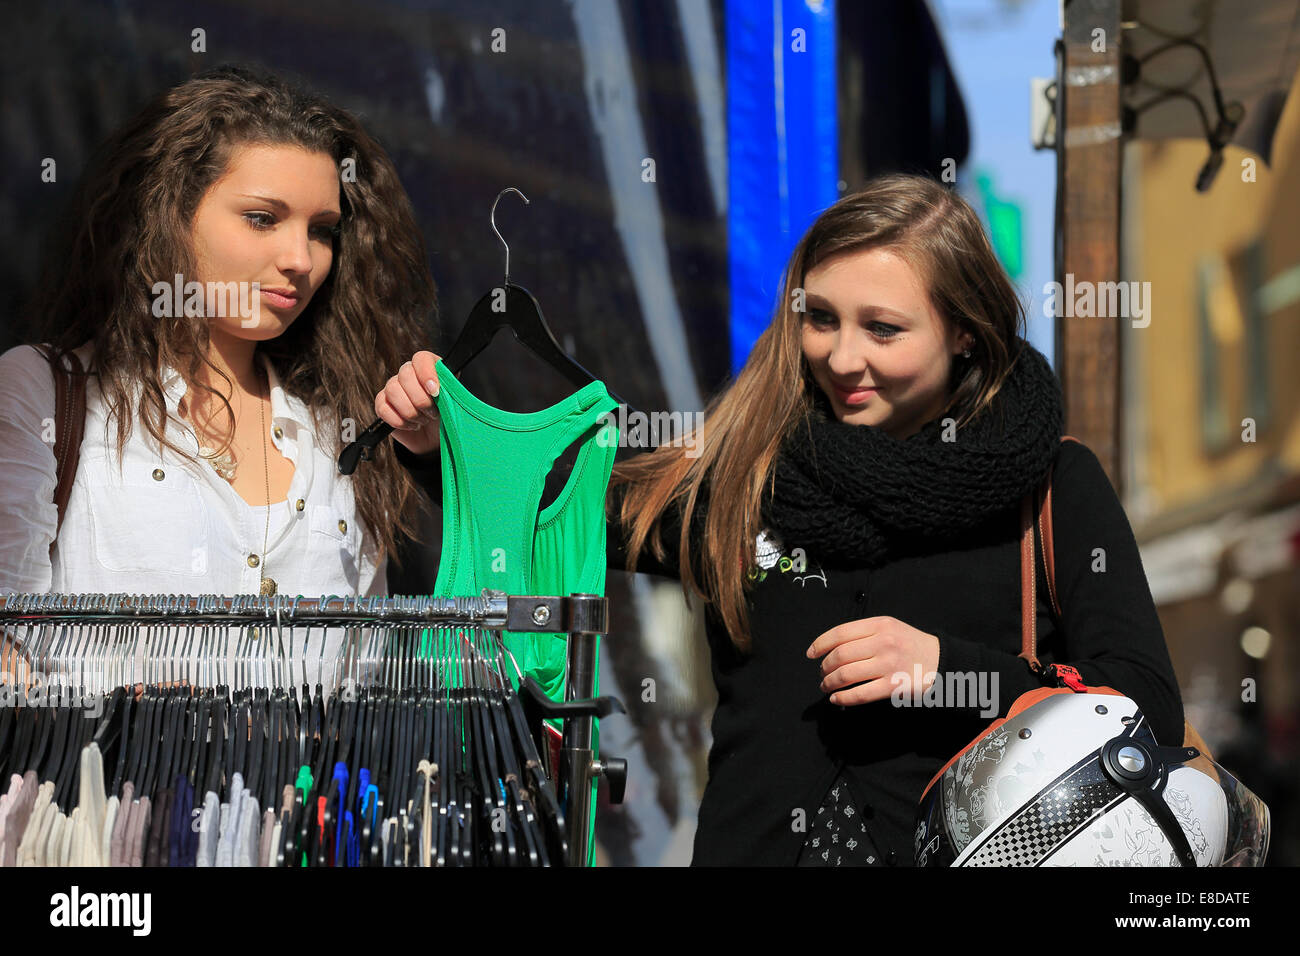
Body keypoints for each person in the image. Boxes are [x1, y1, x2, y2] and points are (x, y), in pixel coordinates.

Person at [379, 173, 1185, 867]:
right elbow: (555, 512)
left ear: (966, 335)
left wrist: (952, 673)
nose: (840, 357)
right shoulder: (745, 475)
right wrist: (431, 443)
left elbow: (1143, 708)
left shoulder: (1050, 483)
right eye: (821, 318)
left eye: (884, 328)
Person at [0, 65, 436, 685]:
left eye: (322, 231)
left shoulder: (340, 437)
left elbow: (359, 693)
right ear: (168, 214)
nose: (300, 259)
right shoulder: (46, 394)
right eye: (262, 217)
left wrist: (449, 456)